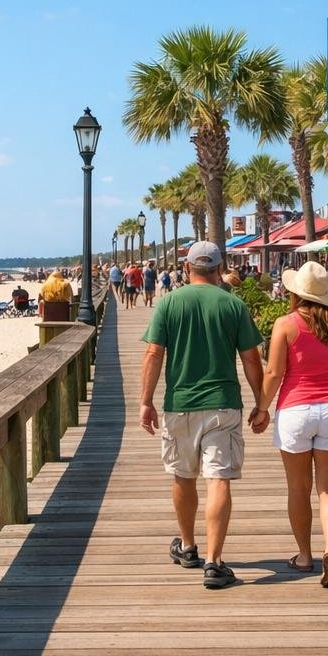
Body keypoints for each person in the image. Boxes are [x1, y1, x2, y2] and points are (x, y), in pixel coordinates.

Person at [139, 241, 266, 589]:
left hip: (179, 403)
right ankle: (215, 561)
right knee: (218, 478)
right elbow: (251, 358)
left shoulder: (169, 303)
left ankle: (188, 546)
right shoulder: (233, 304)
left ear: (187, 267)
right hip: (223, 403)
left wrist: (146, 401)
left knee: (183, 476)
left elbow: (153, 354)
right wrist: (261, 402)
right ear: (219, 269)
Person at [256, 261, 328, 588]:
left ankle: (304, 556)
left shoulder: (285, 325)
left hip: (295, 411)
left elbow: (274, 373)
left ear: (295, 293)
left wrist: (261, 409)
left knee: (298, 488)